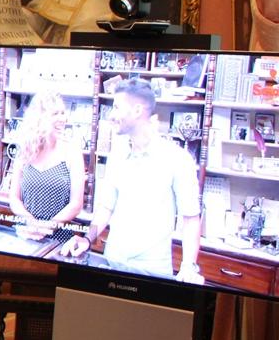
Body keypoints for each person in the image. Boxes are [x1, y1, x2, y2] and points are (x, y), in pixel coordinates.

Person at [59, 79, 203, 282]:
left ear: (137, 110)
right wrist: (87, 239)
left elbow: (190, 219)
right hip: (113, 264)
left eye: (117, 107)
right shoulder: (117, 154)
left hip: (152, 272)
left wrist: (188, 267)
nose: (111, 115)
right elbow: (105, 209)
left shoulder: (178, 159)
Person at [7, 92, 85, 243]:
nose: (63, 119)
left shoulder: (72, 151)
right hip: (26, 234)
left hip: (58, 240)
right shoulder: (25, 150)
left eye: (63, 113)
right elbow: (14, 198)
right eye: (56, 114)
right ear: (39, 117)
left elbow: (76, 204)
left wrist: (46, 227)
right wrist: (31, 222)